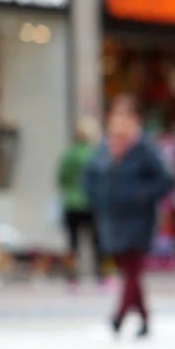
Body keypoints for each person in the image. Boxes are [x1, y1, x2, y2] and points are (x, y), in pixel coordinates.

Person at [84, 95, 174, 338]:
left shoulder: (144, 148)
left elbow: (166, 180)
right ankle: (144, 317)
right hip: (112, 218)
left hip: (138, 219)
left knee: (132, 270)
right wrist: (97, 198)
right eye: (117, 114)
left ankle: (119, 315)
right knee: (127, 270)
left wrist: (142, 194)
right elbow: (90, 177)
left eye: (126, 115)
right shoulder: (104, 148)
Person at [57, 116, 102, 284]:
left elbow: (61, 178)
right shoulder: (95, 154)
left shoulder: (69, 154)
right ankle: (100, 275)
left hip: (71, 202)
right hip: (92, 203)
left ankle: (71, 275)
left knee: (72, 242)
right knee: (96, 240)